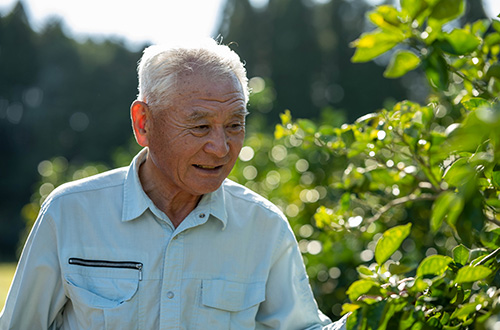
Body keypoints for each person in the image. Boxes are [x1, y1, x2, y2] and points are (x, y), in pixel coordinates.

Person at [0, 38, 347, 330]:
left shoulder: (264, 227)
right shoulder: (71, 212)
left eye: (234, 125)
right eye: (200, 127)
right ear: (143, 123)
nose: (221, 147)